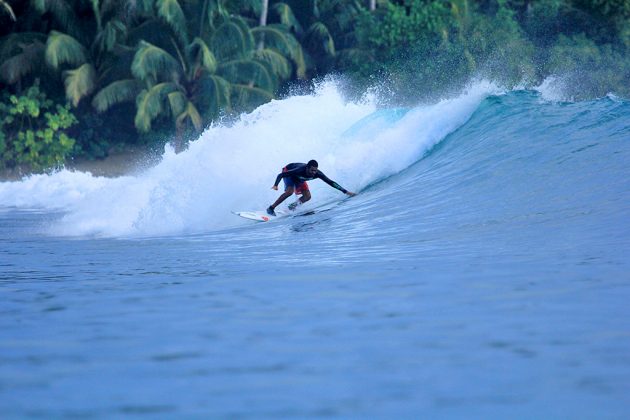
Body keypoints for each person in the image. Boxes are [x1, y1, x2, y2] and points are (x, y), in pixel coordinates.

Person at [267, 160, 356, 216]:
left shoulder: (317, 173)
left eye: (315, 170)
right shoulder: (299, 170)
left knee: (307, 196)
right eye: (312, 170)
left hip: (299, 178)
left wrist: (346, 192)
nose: (314, 172)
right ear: (307, 168)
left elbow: (330, 182)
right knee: (289, 192)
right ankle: (271, 208)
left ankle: (290, 208)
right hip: (288, 172)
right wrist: (276, 185)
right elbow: (281, 175)